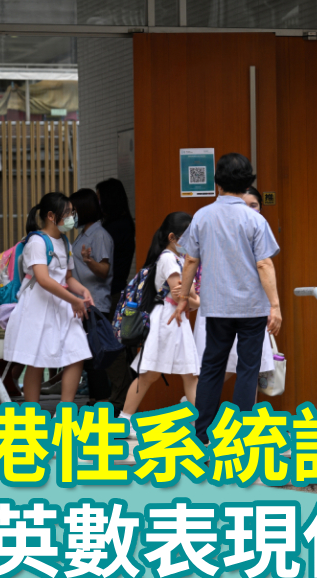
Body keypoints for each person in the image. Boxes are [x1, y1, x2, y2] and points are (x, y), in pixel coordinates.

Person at [171, 153, 281, 443]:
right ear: (247, 183)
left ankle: (202, 434)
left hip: (217, 306)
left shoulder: (202, 216)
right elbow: (264, 263)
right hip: (252, 307)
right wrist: (275, 306)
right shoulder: (254, 219)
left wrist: (183, 299)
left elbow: (190, 260)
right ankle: (240, 437)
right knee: (248, 369)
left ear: (217, 183)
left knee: (212, 367)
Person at [3, 193, 94, 404]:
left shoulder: (65, 242)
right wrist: (73, 300)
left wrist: (82, 291)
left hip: (62, 305)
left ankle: (65, 412)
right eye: (68, 213)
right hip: (38, 307)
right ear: (51, 216)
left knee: (77, 354)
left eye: (72, 212)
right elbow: (43, 280)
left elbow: (67, 278)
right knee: (36, 361)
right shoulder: (37, 241)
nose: (72, 217)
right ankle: (32, 415)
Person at [191, 186, 276, 398]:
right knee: (227, 366)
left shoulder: (258, 231)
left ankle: (207, 407)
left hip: (250, 308)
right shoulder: (218, 230)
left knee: (248, 368)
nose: (247, 210)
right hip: (220, 309)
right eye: (244, 205)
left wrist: (272, 305)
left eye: (254, 205)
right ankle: (197, 402)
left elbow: (264, 269)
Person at [118, 212, 200, 433]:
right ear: (172, 237)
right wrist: (195, 299)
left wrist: (192, 297)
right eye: (188, 236)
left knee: (190, 373)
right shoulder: (168, 259)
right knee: (149, 374)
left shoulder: (181, 259)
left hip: (176, 321)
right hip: (167, 322)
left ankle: (200, 422)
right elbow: (181, 296)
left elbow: (188, 295)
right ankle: (124, 420)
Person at [71, 187, 115, 401]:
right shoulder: (85, 234)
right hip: (84, 304)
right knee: (89, 358)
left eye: (73, 210)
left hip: (94, 304)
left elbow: (104, 270)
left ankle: (101, 404)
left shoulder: (99, 235)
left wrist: (89, 261)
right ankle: (96, 402)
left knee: (95, 358)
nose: (71, 215)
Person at [96, 178, 136, 309]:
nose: (96, 203)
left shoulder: (115, 228)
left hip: (111, 292)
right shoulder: (123, 223)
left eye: (98, 199)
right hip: (115, 289)